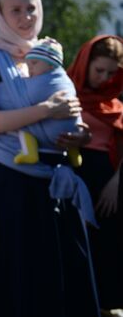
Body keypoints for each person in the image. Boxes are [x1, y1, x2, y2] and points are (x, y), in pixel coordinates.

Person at [0, 0, 99, 317]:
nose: (26, 17)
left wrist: (79, 136)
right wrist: (46, 111)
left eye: (31, 8)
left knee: (58, 281)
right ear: (0, 14)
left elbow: (68, 110)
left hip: (54, 181)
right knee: (13, 280)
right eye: (16, 10)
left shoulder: (48, 56)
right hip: (9, 182)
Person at [67, 35, 123, 316]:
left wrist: (116, 182)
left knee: (109, 243)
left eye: (112, 72)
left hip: (109, 184)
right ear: (86, 62)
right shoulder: (65, 91)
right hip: (74, 176)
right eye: (99, 70)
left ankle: (106, 303)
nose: (104, 78)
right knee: (78, 241)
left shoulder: (116, 102)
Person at [13, 37, 81, 167]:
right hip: (73, 132)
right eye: (28, 65)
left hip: (53, 135)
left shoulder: (43, 81)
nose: (29, 69)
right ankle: (74, 153)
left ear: (51, 64)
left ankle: (30, 153)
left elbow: (25, 98)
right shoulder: (67, 80)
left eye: (34, 63)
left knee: (23, 124)